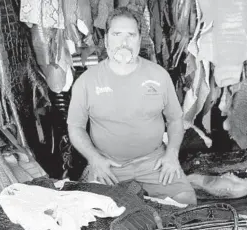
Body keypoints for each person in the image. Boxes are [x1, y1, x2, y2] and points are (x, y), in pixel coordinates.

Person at [67, 7, 197, 205]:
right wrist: (94, 159)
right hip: (108, 164)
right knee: (98, 215)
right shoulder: (87, 81)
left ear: (139, 39)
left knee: (187, 202)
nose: (124, 42)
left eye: (131, 35)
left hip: (154, 161)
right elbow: (75, 127)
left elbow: (174, 119)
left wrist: (171, 154)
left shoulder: (159, 75)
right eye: (117, 34)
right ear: (106, 39)